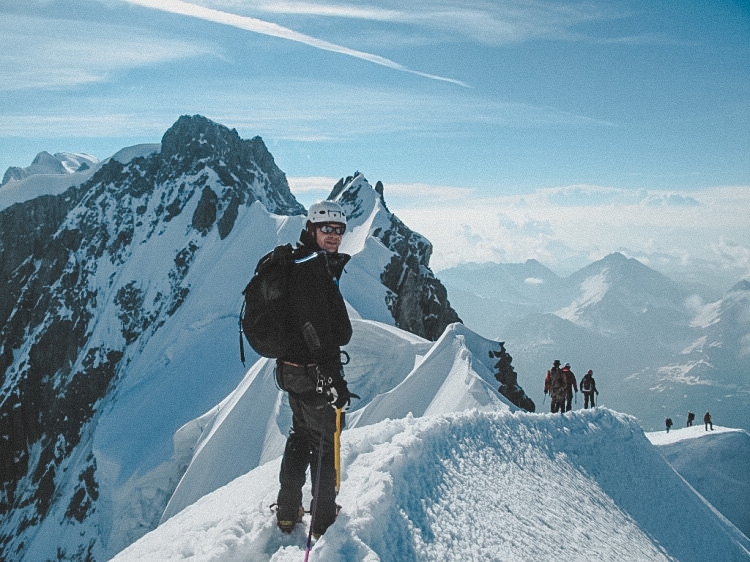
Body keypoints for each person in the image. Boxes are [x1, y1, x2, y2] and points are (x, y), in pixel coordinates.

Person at [274, 201, 353, 538]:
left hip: (292, 370)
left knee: (301, 436)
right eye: (326, 229)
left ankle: (288, 512)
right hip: (313, 371)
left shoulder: (302, 262)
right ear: (311, 230)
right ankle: (323, 522)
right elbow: (315, 329)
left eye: (339, 230)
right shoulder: (311, 269)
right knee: (324, 444)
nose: (333, 236)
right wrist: (332, 379)